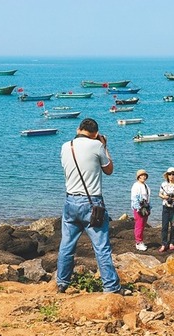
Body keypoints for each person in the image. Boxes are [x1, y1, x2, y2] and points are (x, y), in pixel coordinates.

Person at [58, 118, 124, 294]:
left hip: (70, 200)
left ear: (78, 129)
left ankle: (62, 283)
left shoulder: (66, 146)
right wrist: (104, 146)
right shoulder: (97, 146)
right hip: (92, 203)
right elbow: (109, 170)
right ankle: (110, 287)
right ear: (96, 134)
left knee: (66, 244)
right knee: (101, 246)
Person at [158, 167, 174, 252]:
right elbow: (160, 194)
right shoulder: (164, 184)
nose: (171, 176)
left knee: (173, 225)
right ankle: (164, 243)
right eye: (169, 174)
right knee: (164, 226)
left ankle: (172, 242)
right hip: (166, 207)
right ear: (167, 175)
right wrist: (165, 197)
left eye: (173, 174)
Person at [131, 169, 151, 251]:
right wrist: (138, 208)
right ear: (138, 177)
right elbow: (134, 198)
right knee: (139, 225)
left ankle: (140, 241)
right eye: (142, 175)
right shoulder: (136, 186)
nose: (144, 177)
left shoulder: (146, 186)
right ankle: (138, 242)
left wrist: (149, 208)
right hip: (139, 208)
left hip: (145, 207)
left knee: (143, 225)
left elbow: (148, 198)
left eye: (145, 175)